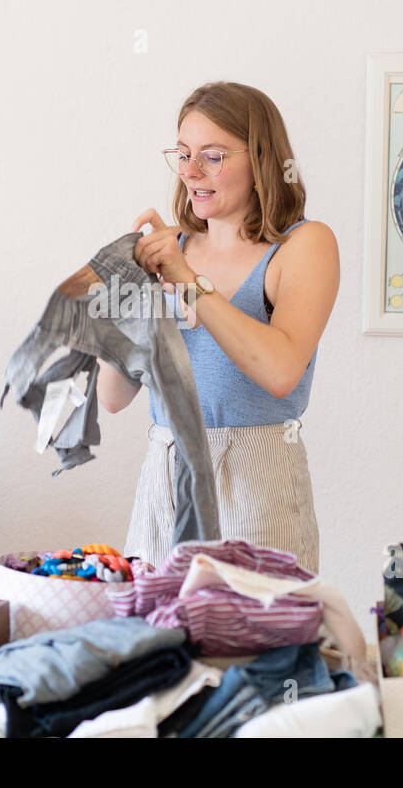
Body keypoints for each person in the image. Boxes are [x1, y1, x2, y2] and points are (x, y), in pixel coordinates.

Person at [99, 82, 340, 573]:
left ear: (262, 160)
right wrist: (129, 296)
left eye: (212, 156)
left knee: (252, 644)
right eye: (183, 154)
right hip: (165, 472)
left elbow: (280, 370)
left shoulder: (304, 245)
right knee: (155, 643)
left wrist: (190, 281)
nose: (190, 172)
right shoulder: (173, 249)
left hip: (257, 476)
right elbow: (113, 395)